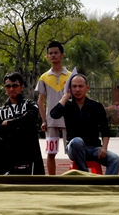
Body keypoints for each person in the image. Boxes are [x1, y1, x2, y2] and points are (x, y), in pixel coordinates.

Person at [50, 74, 119, 175]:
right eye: (74, 86)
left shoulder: (96, 106)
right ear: (70, 88)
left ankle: (106, 183)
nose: (77, 89)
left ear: (87, 88)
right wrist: (65, 97)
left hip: (94, 148)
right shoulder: (67, 106)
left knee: (115, 159)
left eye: (80, 86)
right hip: (74, 148)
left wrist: (104, 148)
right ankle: (85, 175)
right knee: (77, 141)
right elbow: (54, 114)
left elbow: (105, 129)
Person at [0, 73, 45, 175]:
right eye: (8, 86)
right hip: (7, 149)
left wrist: (8, 123)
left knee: (26, 134)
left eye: (15, 85)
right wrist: (19, 124)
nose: (11, 89)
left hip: (26, 147)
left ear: (22, 87)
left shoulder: (31, 105)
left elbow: (30, 119)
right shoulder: (0, 111)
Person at [35, 41, 71, 175]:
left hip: (68, 119)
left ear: (62, 55)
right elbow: (40, 101)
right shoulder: (44, 77)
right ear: (47, 56)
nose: (53, 55)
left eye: (56, 53)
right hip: (51, 121)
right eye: (50, 53)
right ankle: (52, 179)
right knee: (51, 152)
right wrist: (44, 120)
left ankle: (76, 178)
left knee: (73, 151)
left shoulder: (71, 76)